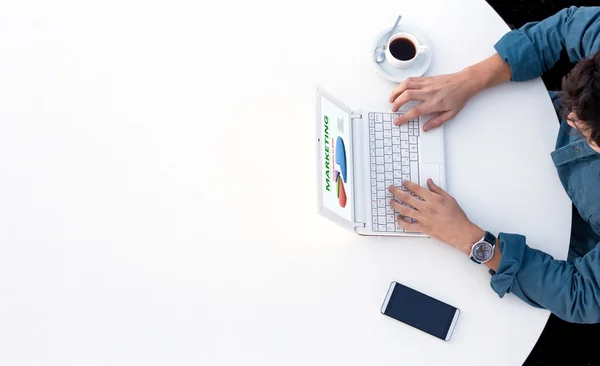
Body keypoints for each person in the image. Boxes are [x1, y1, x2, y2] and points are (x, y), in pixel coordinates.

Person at [387, 6, 600, 323]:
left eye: (583, 129)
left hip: (555, 234)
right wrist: (469, 80)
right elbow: (572, 24)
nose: (570, 119)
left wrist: (471, 240)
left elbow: (583, 296)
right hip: (525, 124)